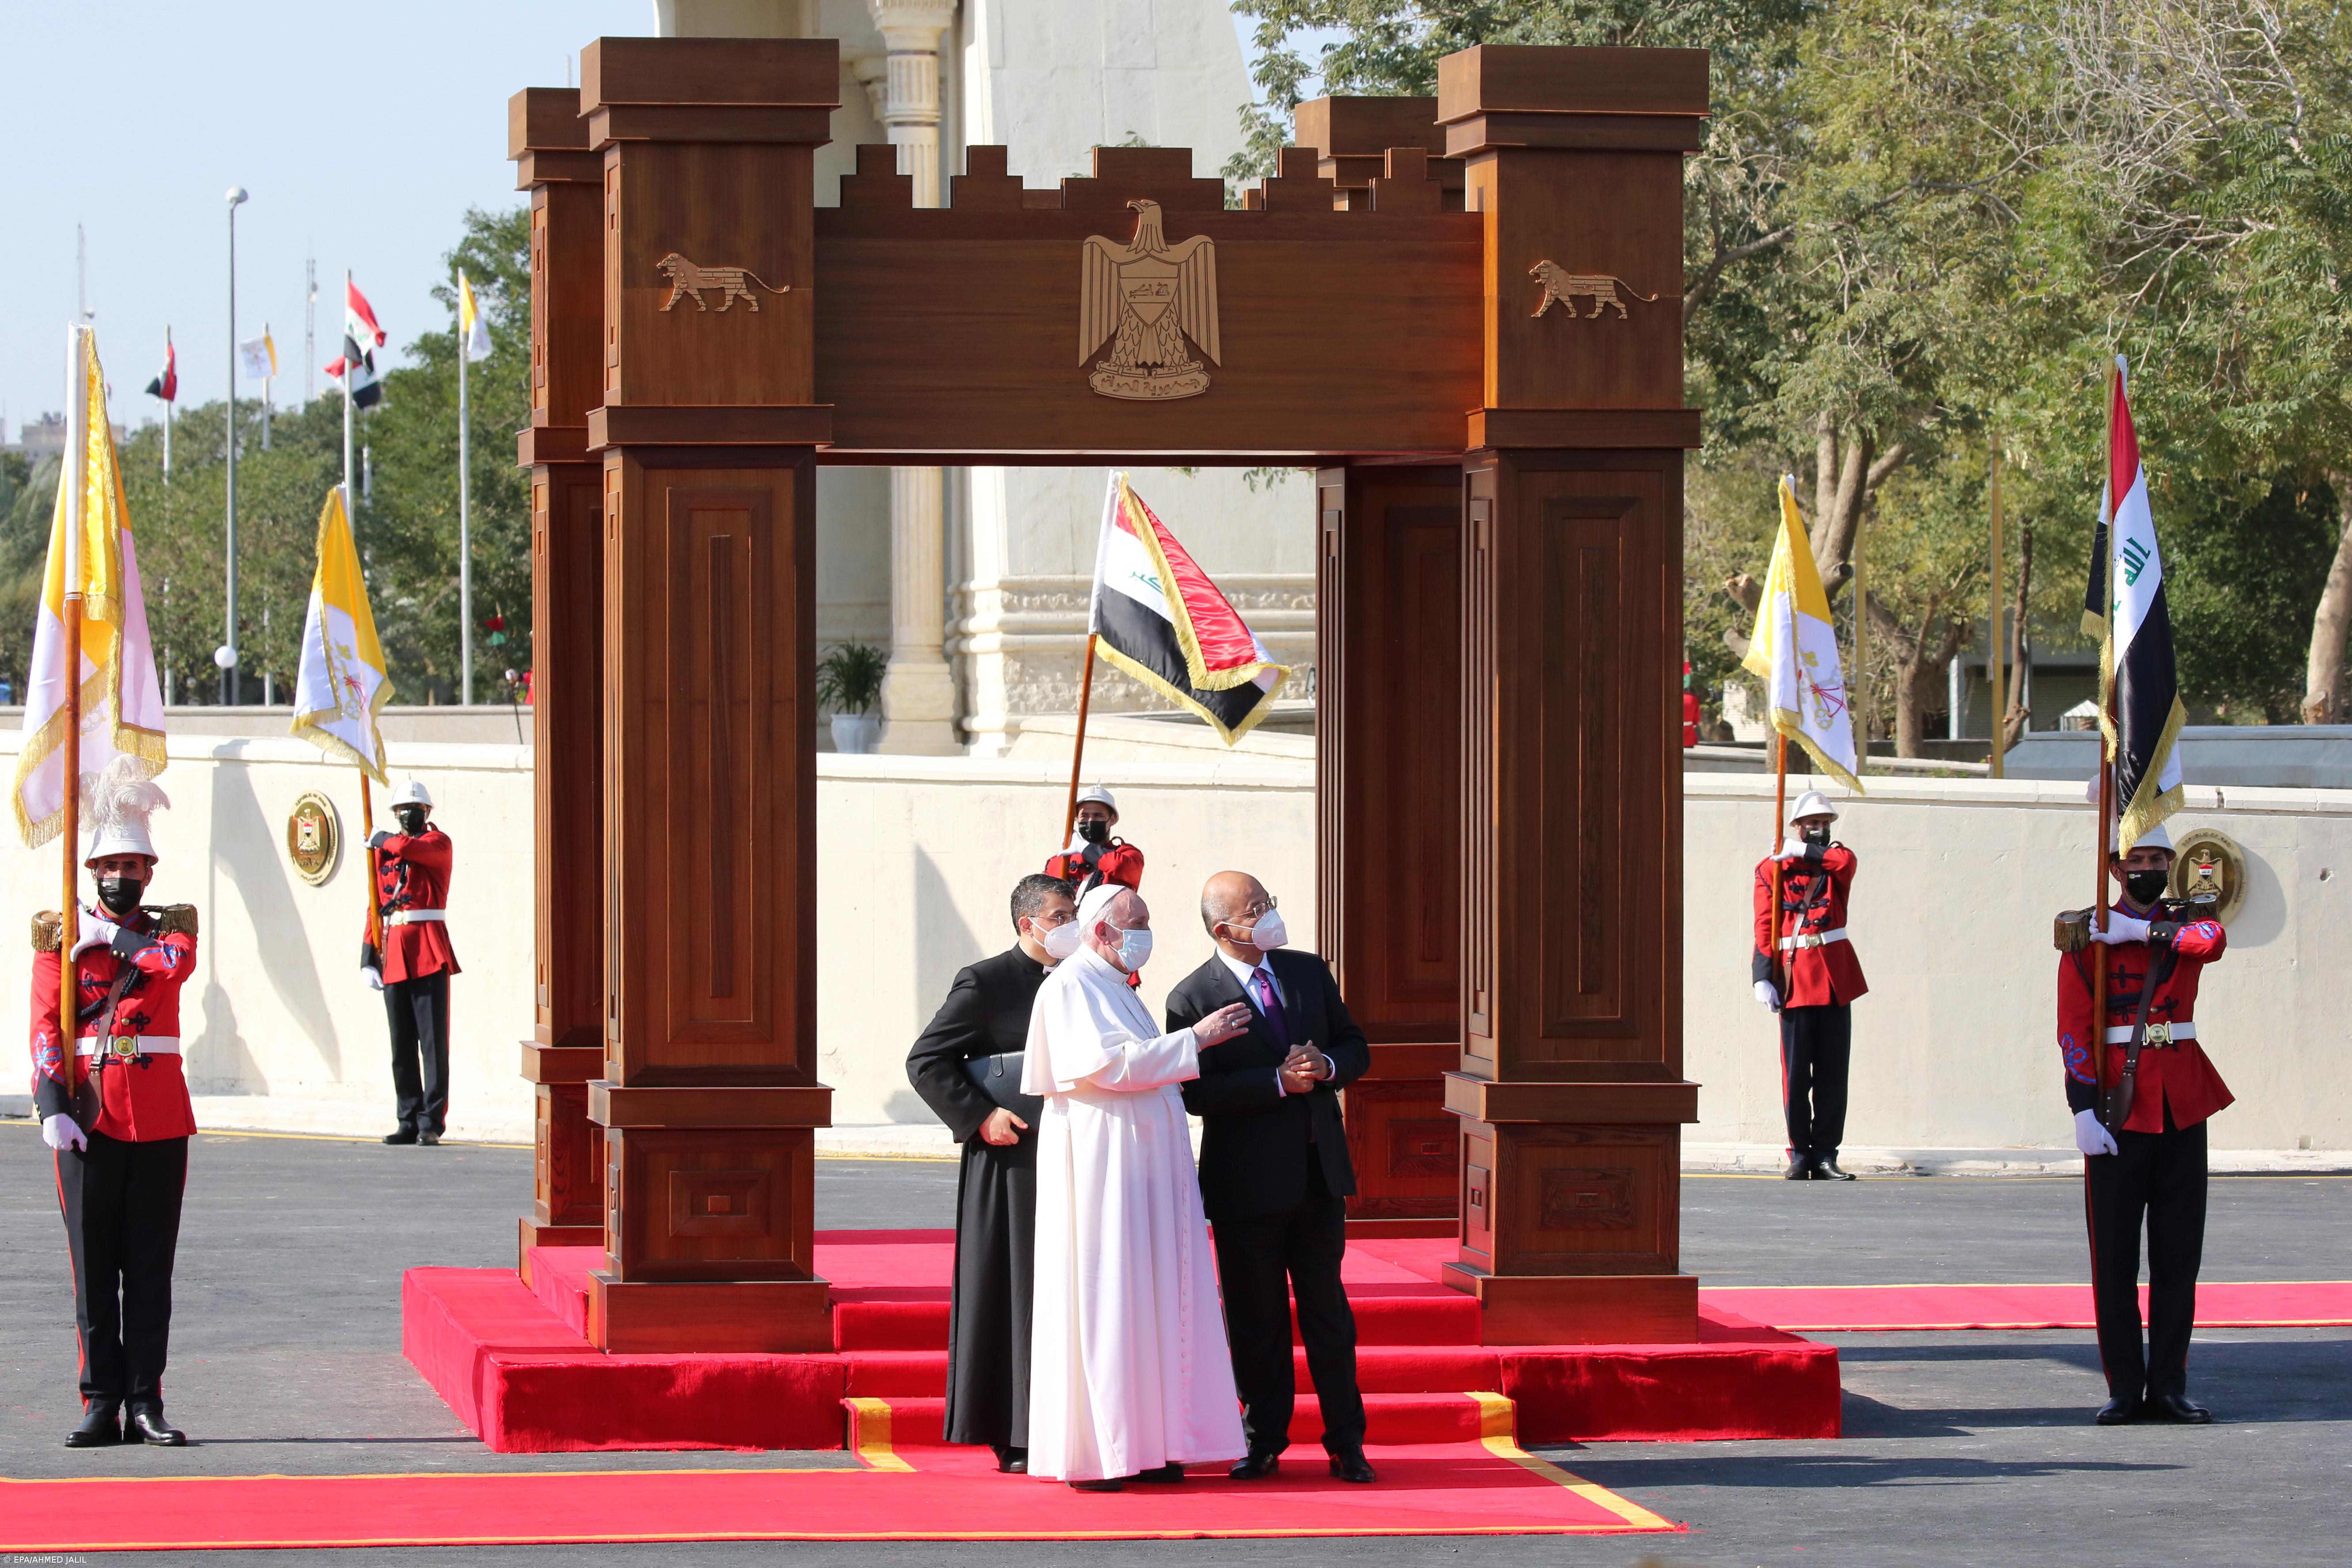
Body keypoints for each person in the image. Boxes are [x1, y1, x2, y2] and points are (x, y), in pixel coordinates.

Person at [1020, 882, 1253, 1490]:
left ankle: (1153, 1444)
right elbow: (1107, 1067)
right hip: (1102, 1165)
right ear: (1101, 929)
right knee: (1109, 1296)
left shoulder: (1111, 985)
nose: (1145, 931)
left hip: (1142, 1167)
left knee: (1152, 1296)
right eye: (1137, 920)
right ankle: (1101, 1450)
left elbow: (1140, 1059)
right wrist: (1195, 1038)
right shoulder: (1070, 984)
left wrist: (1185, 1046)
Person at [1167, 871, 1377, 1485]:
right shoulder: (1191, 997)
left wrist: (1328, 1064)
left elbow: (1354, 1043)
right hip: (1247, 1187)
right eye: (1253, 908)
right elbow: (1194, 1093)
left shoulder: (1306, 970)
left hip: (1317, 1175)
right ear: (1222, 927)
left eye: (1268, 903)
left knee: (1328, 1316)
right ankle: (1262, 1439)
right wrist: (1273, 1082)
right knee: (1256, 1321)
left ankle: (1347, 1441)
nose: (1267, 915)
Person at [30, 763, 197, 1448]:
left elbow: (172, 963)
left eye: (131, 865)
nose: (118, 875)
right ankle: (101, 1398)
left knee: (150, 1268)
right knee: (94, 1270)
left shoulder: (171, 927)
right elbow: (47, 1023)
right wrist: (50, 1103)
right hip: (87, 1118)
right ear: (92, 867)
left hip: (158, 1119)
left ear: (148, 875)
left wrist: (118, 940)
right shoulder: (57, 937)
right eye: (108, 864)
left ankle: (146, 1399)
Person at [2058, 820, 2231, 1425]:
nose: (2148, 867)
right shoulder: (2086, 935)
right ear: (2115, 867)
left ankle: (2168, 1385)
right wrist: (2080, 1106)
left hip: (2182, 1099)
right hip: (2116, 1106)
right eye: (2137, 858)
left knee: (2177, 1256)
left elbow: (2210, 940)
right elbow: (2073, 1028)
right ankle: (2123, 1386)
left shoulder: (2185, 923)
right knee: (2113, 1258)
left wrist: (2139, 928)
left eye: (2158, 857)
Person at [904, 873, 1078, 1474]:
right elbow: (926, 1059)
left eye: (1073, 913)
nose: (1070, 925)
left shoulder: (1089, 979)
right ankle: (1015, 1430)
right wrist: (980, 1115)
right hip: (1011, 1158)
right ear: (1028, 923)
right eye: (1059, 916)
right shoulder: (986, 980)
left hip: (1077, 1157)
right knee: (1016, 1290)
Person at [1752, 788, 1868, 1180]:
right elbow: (1764, 926)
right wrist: (1761, 976)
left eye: (1823, 823)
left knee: (1834, 1074)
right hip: (1795, 977)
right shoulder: (1772, 869)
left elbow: (1843, 862)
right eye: (1811, 823)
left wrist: (1801, 852)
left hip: (1835, 979)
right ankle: (1799, 1153)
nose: (1818, 829)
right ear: (1797, 827)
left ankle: (1825, 1154)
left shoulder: (1836, 860)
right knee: (1797, 1074)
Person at [363, 777, 460, 1145]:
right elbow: (375, 903)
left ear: (427, 812)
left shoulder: (438, 843)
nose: (408, 815)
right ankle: (407, 1117)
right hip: (394, 948)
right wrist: (368, 955)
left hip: (427, 947)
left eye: (415, 809)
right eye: (403, 810)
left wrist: (381, 839)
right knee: (400, 1043)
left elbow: (408, 847)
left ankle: (430, 1122)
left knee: (433, 1043)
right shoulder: (386, 852)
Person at [1044, 785, 1143, 899]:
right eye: (1084, 816)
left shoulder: (1128, 854)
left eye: (1098, 816)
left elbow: (1118, 866)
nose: (1090, 821)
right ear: (1077, 819)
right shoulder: (1059, 861)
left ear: (1113, 820)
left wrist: (1083, 847)